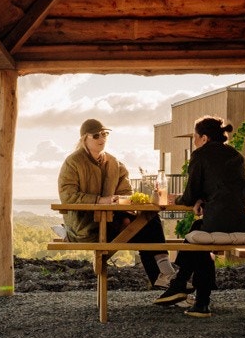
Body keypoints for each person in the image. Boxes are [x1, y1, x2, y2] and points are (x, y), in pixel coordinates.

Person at [158, 115, 245, 317]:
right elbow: (230, 190)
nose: (194, 142)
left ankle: (187, 290)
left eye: (195, 138)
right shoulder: (236, 156)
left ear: (204, 138)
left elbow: (190, 195)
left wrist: (176, 199)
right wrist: (204, 200)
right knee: (198, 232)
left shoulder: (201, 155)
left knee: (199, 240)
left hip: (223, 221)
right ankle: (192, 294)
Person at [57, 118, 167, 288]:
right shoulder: (73, 162)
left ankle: (165, 277)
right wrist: (100, 201)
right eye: (96, 135)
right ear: (84, 139)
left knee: (149, 220)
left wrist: (122, 201)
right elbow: (68, 196)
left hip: (113, 221)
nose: (102, 138)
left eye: (105, 134)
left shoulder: (114, 163)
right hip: (85, 227)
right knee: (145, 229)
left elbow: (126, 192)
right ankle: (164, 277)